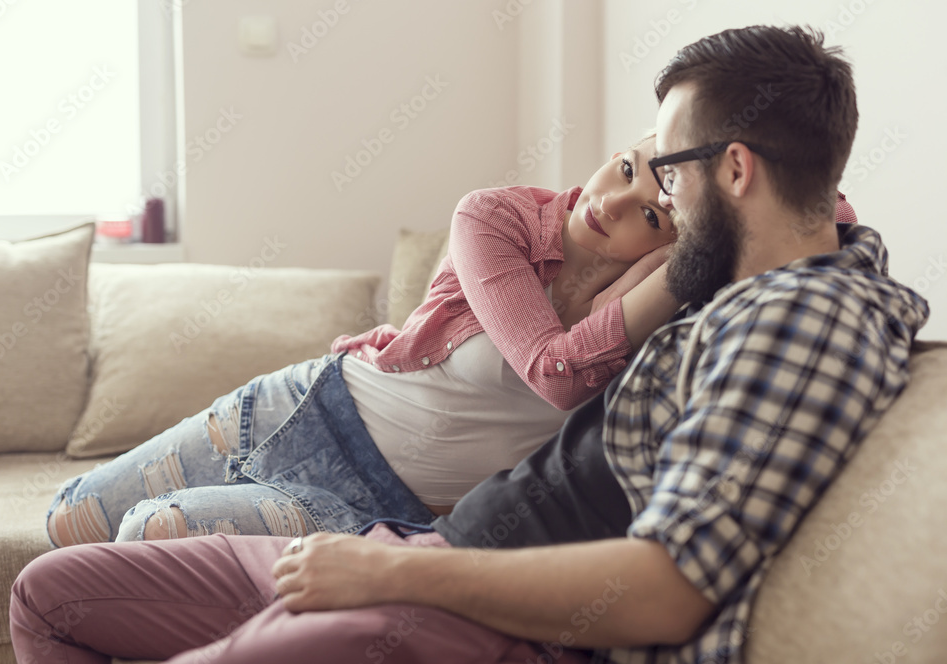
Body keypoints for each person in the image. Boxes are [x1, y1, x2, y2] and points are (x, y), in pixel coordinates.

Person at [11, 25, 929, 664]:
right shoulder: (737, 277)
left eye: (671, 178)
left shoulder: (796, 316)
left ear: (733, 170)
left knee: (128, 558)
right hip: (387, 500)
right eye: (634, 164)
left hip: (458, 597)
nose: (655, 197)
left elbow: (673, 584)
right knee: (45, 585)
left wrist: (397, 567)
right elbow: (816, 212)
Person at [45, 134, 680, 547]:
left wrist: (667, 268)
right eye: (625, 167)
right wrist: (673, 256)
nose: (612, 202)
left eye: (650, 214)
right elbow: (554, 371)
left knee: (148, 535)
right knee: (70, 522)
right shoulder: (497, 216)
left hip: (383, 509)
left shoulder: (656, 310)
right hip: (306, 409)